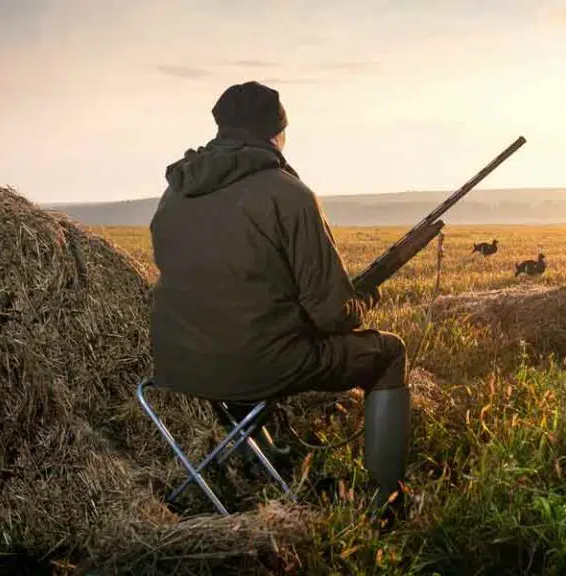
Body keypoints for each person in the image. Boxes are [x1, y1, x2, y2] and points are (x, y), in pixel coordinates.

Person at [149, 80, 411, 521]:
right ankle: (386, 501)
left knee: (241, 343)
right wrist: (363, 299)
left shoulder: (174, 193)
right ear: (277, 133)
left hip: (177, 366)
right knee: (388, 353)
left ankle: (266, 463)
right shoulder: (290, 195)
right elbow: (332, 316)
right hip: (252, 368)